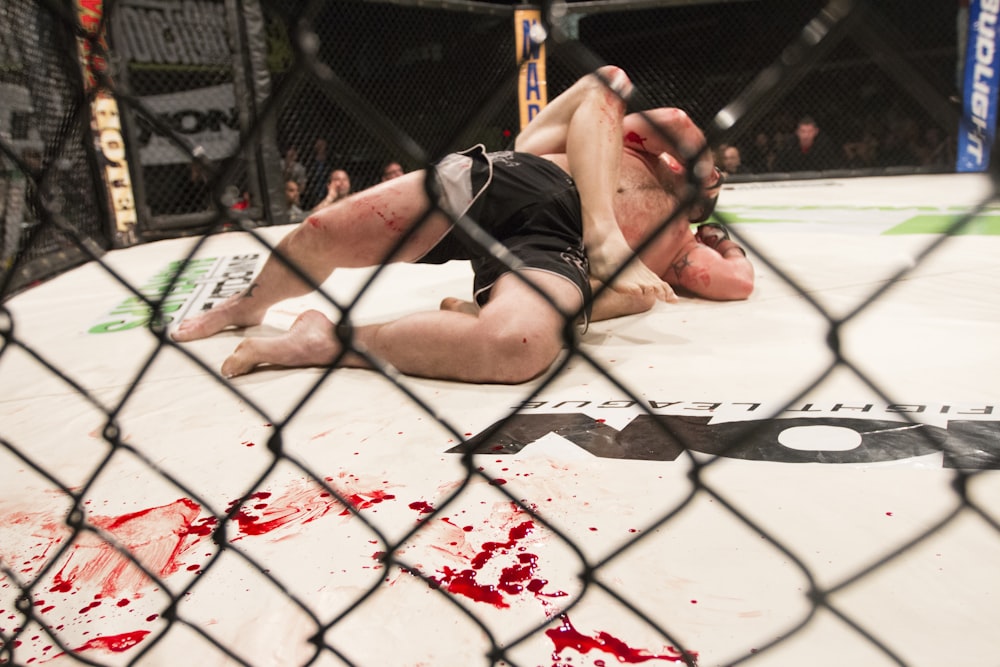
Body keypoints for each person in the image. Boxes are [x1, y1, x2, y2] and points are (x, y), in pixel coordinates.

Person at [172, 66, 752, 383]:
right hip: (521, 179)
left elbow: (737, 283)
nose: (713, 177)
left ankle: (330, 340)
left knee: (516, 344)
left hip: (552, 249)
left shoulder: (680, 245)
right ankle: (248, 304)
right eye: (711, 170)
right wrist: (694, 168)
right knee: (324, 231)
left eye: (719, 184)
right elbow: (647, 107)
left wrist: (718, 238)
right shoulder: (639, 147)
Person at [772, 115, 839, 172]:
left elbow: (832, 166)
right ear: (797, 132)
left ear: (816, 132)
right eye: (803, 131)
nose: (806, 136)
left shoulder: (824, 146)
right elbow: (778, 166)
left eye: (810, 131)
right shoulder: (789, 146)